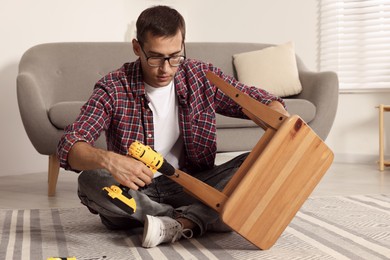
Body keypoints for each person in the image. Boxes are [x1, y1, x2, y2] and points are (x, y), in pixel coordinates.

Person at [57, 5, 289, 248]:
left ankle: (178, 222)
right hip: (135, 194)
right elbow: (69, 145)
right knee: (90, 181)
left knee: (258, 161)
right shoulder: (113, 87)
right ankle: (199, 217)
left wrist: (276, 112)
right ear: (137, 48)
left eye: (175, 56)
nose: (166, 68)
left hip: (192, 186)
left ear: (183, 45)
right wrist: (110, 161)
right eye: (155, 57)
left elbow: (259, 99)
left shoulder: (201, 76)